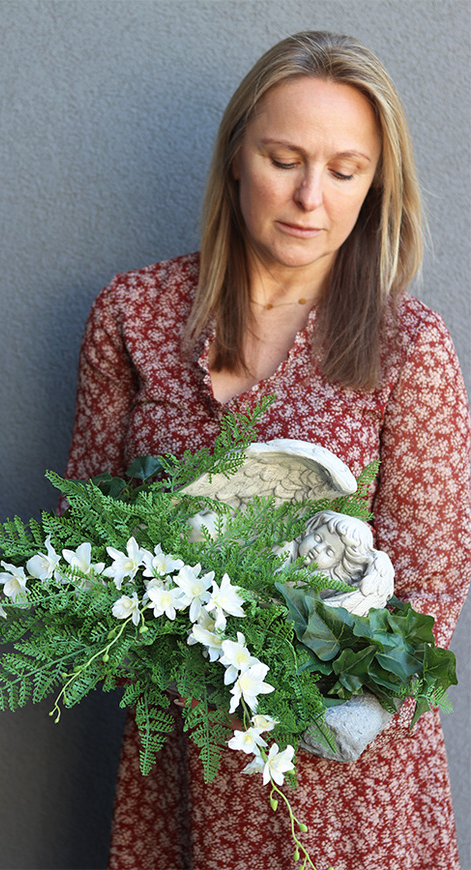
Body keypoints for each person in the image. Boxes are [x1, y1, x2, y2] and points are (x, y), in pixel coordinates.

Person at [64, 30, 470, 870]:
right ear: (236, 158)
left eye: (345, 170)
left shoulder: (406, 347)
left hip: (342, 779)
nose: (309, 196)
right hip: (187, 755)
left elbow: (432, 581)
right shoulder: (133, 317)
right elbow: (86, 536)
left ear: (375, 188)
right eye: (284, 158)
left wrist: (309, 689)